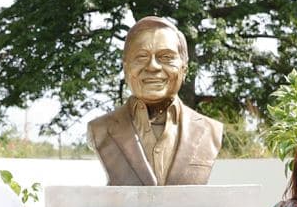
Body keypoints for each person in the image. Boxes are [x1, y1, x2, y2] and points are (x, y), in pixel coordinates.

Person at [87, 16, 223, 185]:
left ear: (184, 68)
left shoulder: (210, 130)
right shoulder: (100, 129)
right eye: (141, 57)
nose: (153, 66)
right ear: (126, 68)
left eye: (166, 57)